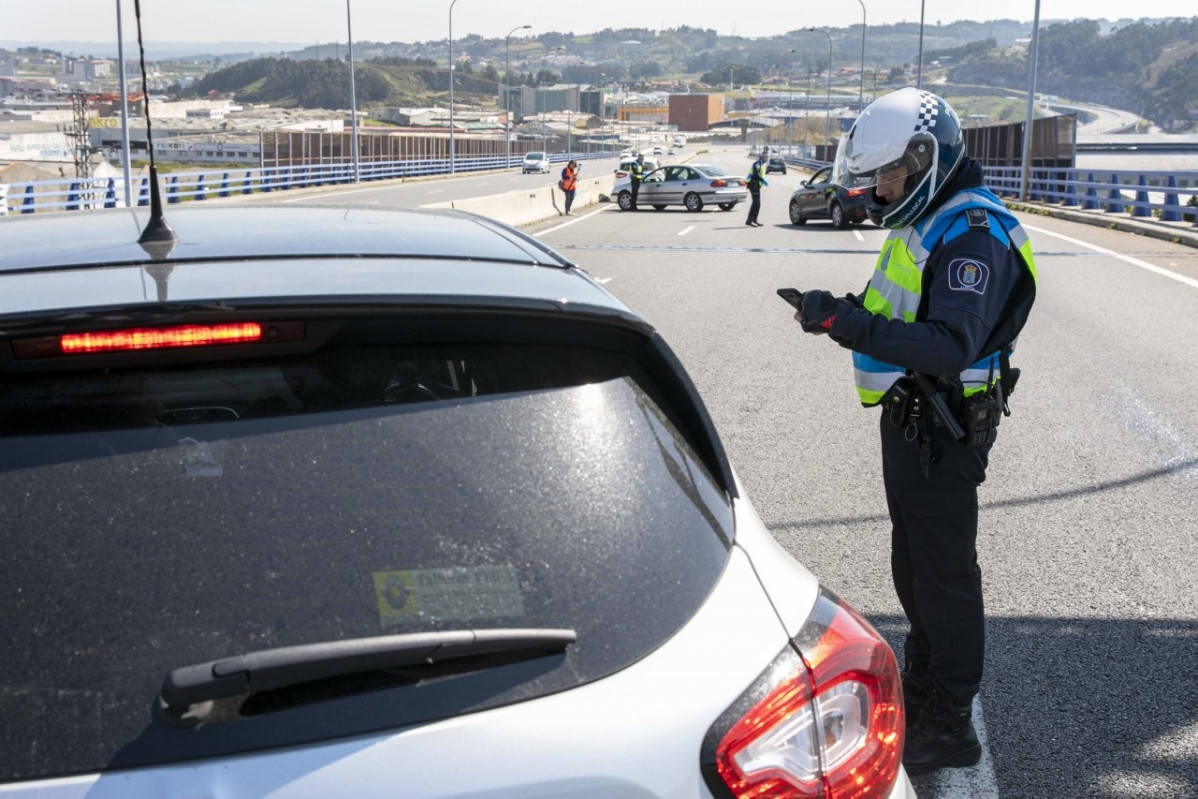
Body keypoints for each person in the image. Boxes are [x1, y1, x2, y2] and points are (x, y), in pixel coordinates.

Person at [791, 87, 1038, 776]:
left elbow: (947, 344)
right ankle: (926, 693)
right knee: (916, 571)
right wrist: (841, 312)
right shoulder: (927, 219)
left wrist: (847, 324)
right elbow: (893, 309)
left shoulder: (973, 236)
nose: (881, 190)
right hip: (912, 421)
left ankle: (952, 722)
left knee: (945, 576)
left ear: (927, 158)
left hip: (945, 427)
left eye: (891, 176)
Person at [745, 151, 768, 226]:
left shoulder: (761, 164)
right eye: (765, 157)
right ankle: (749, 221)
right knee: (755, 203)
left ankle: (754, 220)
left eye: (767, 156)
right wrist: (762, 180)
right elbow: (756, 173)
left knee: (758, 204)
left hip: (756, 185)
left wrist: (762, 180)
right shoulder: (757, 163)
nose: (767, 158)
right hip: (753, 185)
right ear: (761, 157)